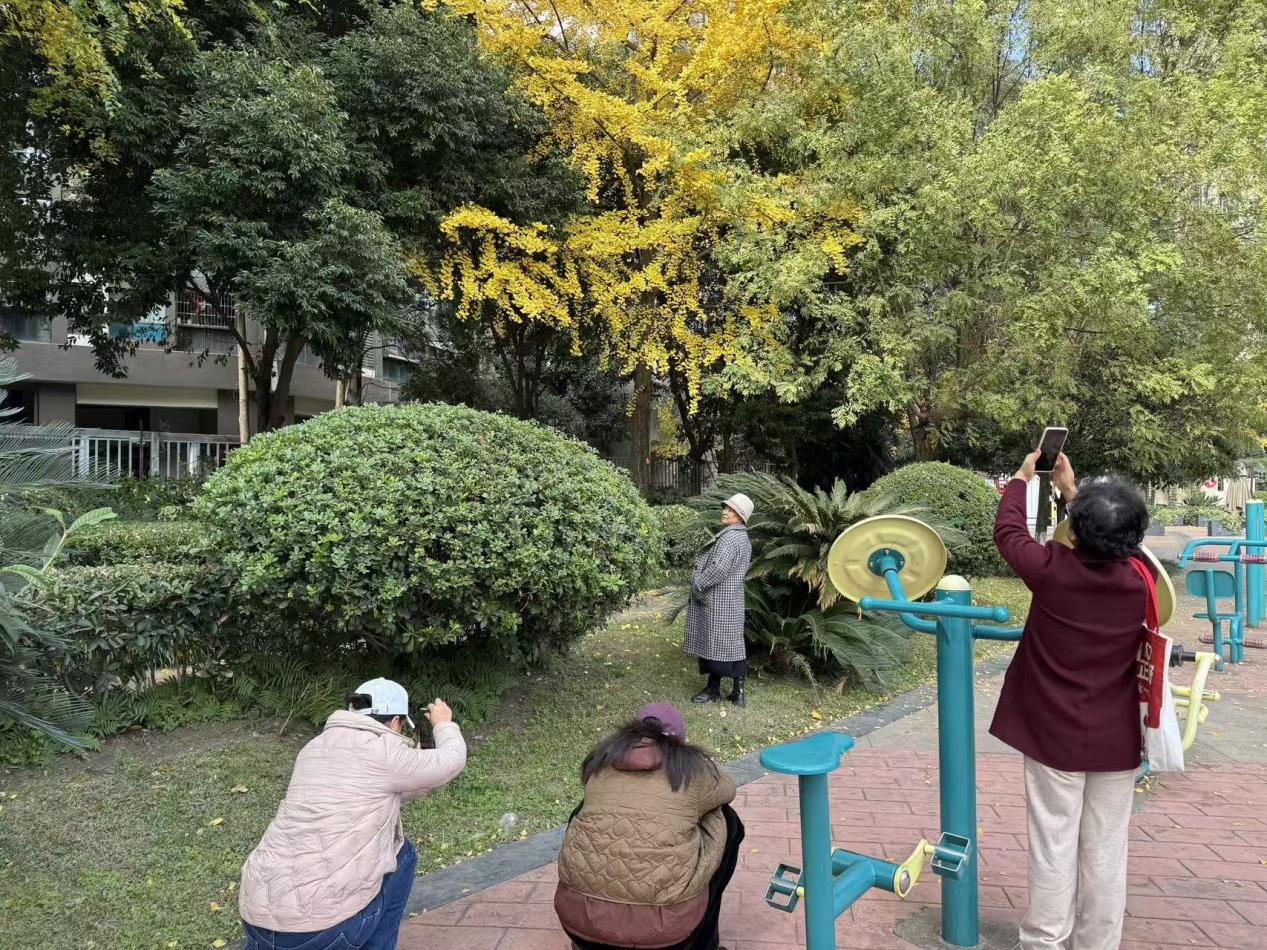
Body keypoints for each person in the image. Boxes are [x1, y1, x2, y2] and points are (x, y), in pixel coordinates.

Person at [990, 452, 1152, 950]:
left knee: (1053, 842)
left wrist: (1022, 480)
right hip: (1117, 737)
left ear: (1074, 534)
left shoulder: (1052, 570)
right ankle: (1098, 942)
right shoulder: (1139, 581)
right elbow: (1113, 540)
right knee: (1106, 847)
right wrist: (1074, 491)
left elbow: (1009, 533)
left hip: (1052, 735)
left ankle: (1043, 940)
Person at [239, 678, 467, 950]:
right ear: (396, 722)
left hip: (257, 918)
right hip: (319, 930)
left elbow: (370, 791)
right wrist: (443, 723)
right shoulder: (386, 751)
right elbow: (452, 760)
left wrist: (415, 778)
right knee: (404, 856)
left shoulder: (314, 748)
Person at [555, 704, 744, 950]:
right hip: (664, 938)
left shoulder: (600, 764)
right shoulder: (692, 769)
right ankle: (705, 945)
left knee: (583, 810)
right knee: (726, 819)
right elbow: (727, 790)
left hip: (580, 925)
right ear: (679, 740)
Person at [685, 493, 754, 706]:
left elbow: (718, 569)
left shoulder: (730, 538)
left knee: (715, 646)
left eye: (731, 510)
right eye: (725, 508)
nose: (725, 511)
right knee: (732, 644)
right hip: (731, 598)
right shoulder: (743, 537)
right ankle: (738, 693)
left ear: (740, 517)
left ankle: (713, 690)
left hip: (717, 599)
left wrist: (698, 582)